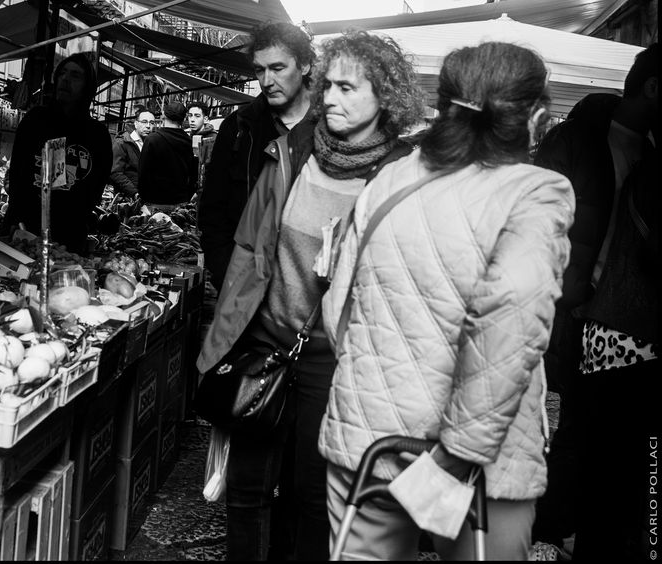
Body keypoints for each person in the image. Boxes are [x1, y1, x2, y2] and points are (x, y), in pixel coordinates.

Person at [320, 42, 575, 560]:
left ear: (445, 107)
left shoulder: (391, 178)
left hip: (367, 442)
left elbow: (337, 309)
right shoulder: (536, 191)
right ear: (538, 119)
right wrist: (455, 457)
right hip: (479, 464)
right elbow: (512, 317)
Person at [198, 30, 419, 560]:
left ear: (384, 98)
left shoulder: (402, 175)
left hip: (335, 361)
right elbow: (251, 243)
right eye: (329, 87)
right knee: (247, 492)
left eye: (349, 88)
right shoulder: (295, 151)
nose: (331, 99)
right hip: (266, 339)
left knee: (311, 495)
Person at [531, 44, 659, 555]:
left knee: (595, 440)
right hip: (582, 309)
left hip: (621, 311)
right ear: (653, 86)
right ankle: (544, 534)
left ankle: (563, 531)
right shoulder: (581, 138)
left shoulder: (651, 146)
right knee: (579, 437)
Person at [198, 22, 315, 291]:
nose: (266, 81)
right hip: (245, 286)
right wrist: (225, 270)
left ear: (305, 65)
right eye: (259, 70)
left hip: (307, 291)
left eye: (277, 68)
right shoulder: (239, 127)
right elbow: (212, 210)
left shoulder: (330, 126)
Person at [3, 53, 112, 255]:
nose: (65, 79)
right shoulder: (36, 121)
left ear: (88, 87)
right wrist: (14, 217)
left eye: (75, 75)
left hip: (68, 236)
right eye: (62, 73)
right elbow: (17, 173)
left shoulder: (96, 134)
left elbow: (96, 187)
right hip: (26, 231)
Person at [138, 100, 197, 209]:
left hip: (155, 201)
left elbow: (143, 173)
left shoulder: (152, 139)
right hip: (181, 202)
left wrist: (142, 197)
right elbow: (193, 173)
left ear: (164, 115)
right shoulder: (189, 141)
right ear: (183, 119)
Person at [109, 105, 154, 198]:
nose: (148, 126)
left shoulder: (150, 144)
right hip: (125, 199)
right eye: (144, 122)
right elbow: (115, 172)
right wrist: (134, 193)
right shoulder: (121, 142)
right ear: (136, 124)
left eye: (152, 123)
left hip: (146, 197)